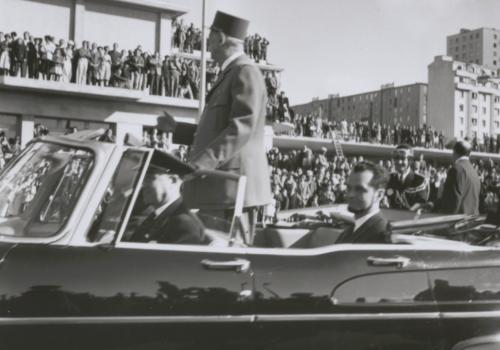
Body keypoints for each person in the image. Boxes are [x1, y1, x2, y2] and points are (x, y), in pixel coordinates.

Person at [181, 11, 272, 243]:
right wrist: (175, 129)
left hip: (231, 193)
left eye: (210, 37)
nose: (207, 44)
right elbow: (218, 129)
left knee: (226, 264)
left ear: (221, 38)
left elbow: (241, 128)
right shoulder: (232, 73)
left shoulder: (245, 72)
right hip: (221, 190)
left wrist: (200, 165)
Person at [292, 161, 390, 247]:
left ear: (379, 195)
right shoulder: (350, 230)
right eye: (349, 188)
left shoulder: (382, 235)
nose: (351, 194)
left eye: (360, 189)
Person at [129, 167, 207, 245]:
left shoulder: (184, 225)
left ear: (173, 180)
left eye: (149, 178)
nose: (142, 185)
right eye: (142, 179)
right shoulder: (158, 214)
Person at [438, 140, 481, 215]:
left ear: (454, 152)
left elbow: (452, 202)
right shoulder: (473, 171)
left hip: (459, 221)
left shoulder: (456, 169)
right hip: (472, 219)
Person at [386, 144, 429, 211]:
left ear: (410, 160)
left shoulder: (420, 181)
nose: (399, 162)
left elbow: (421, 207)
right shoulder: (389, 179)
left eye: (403, 158)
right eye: (396, 158)